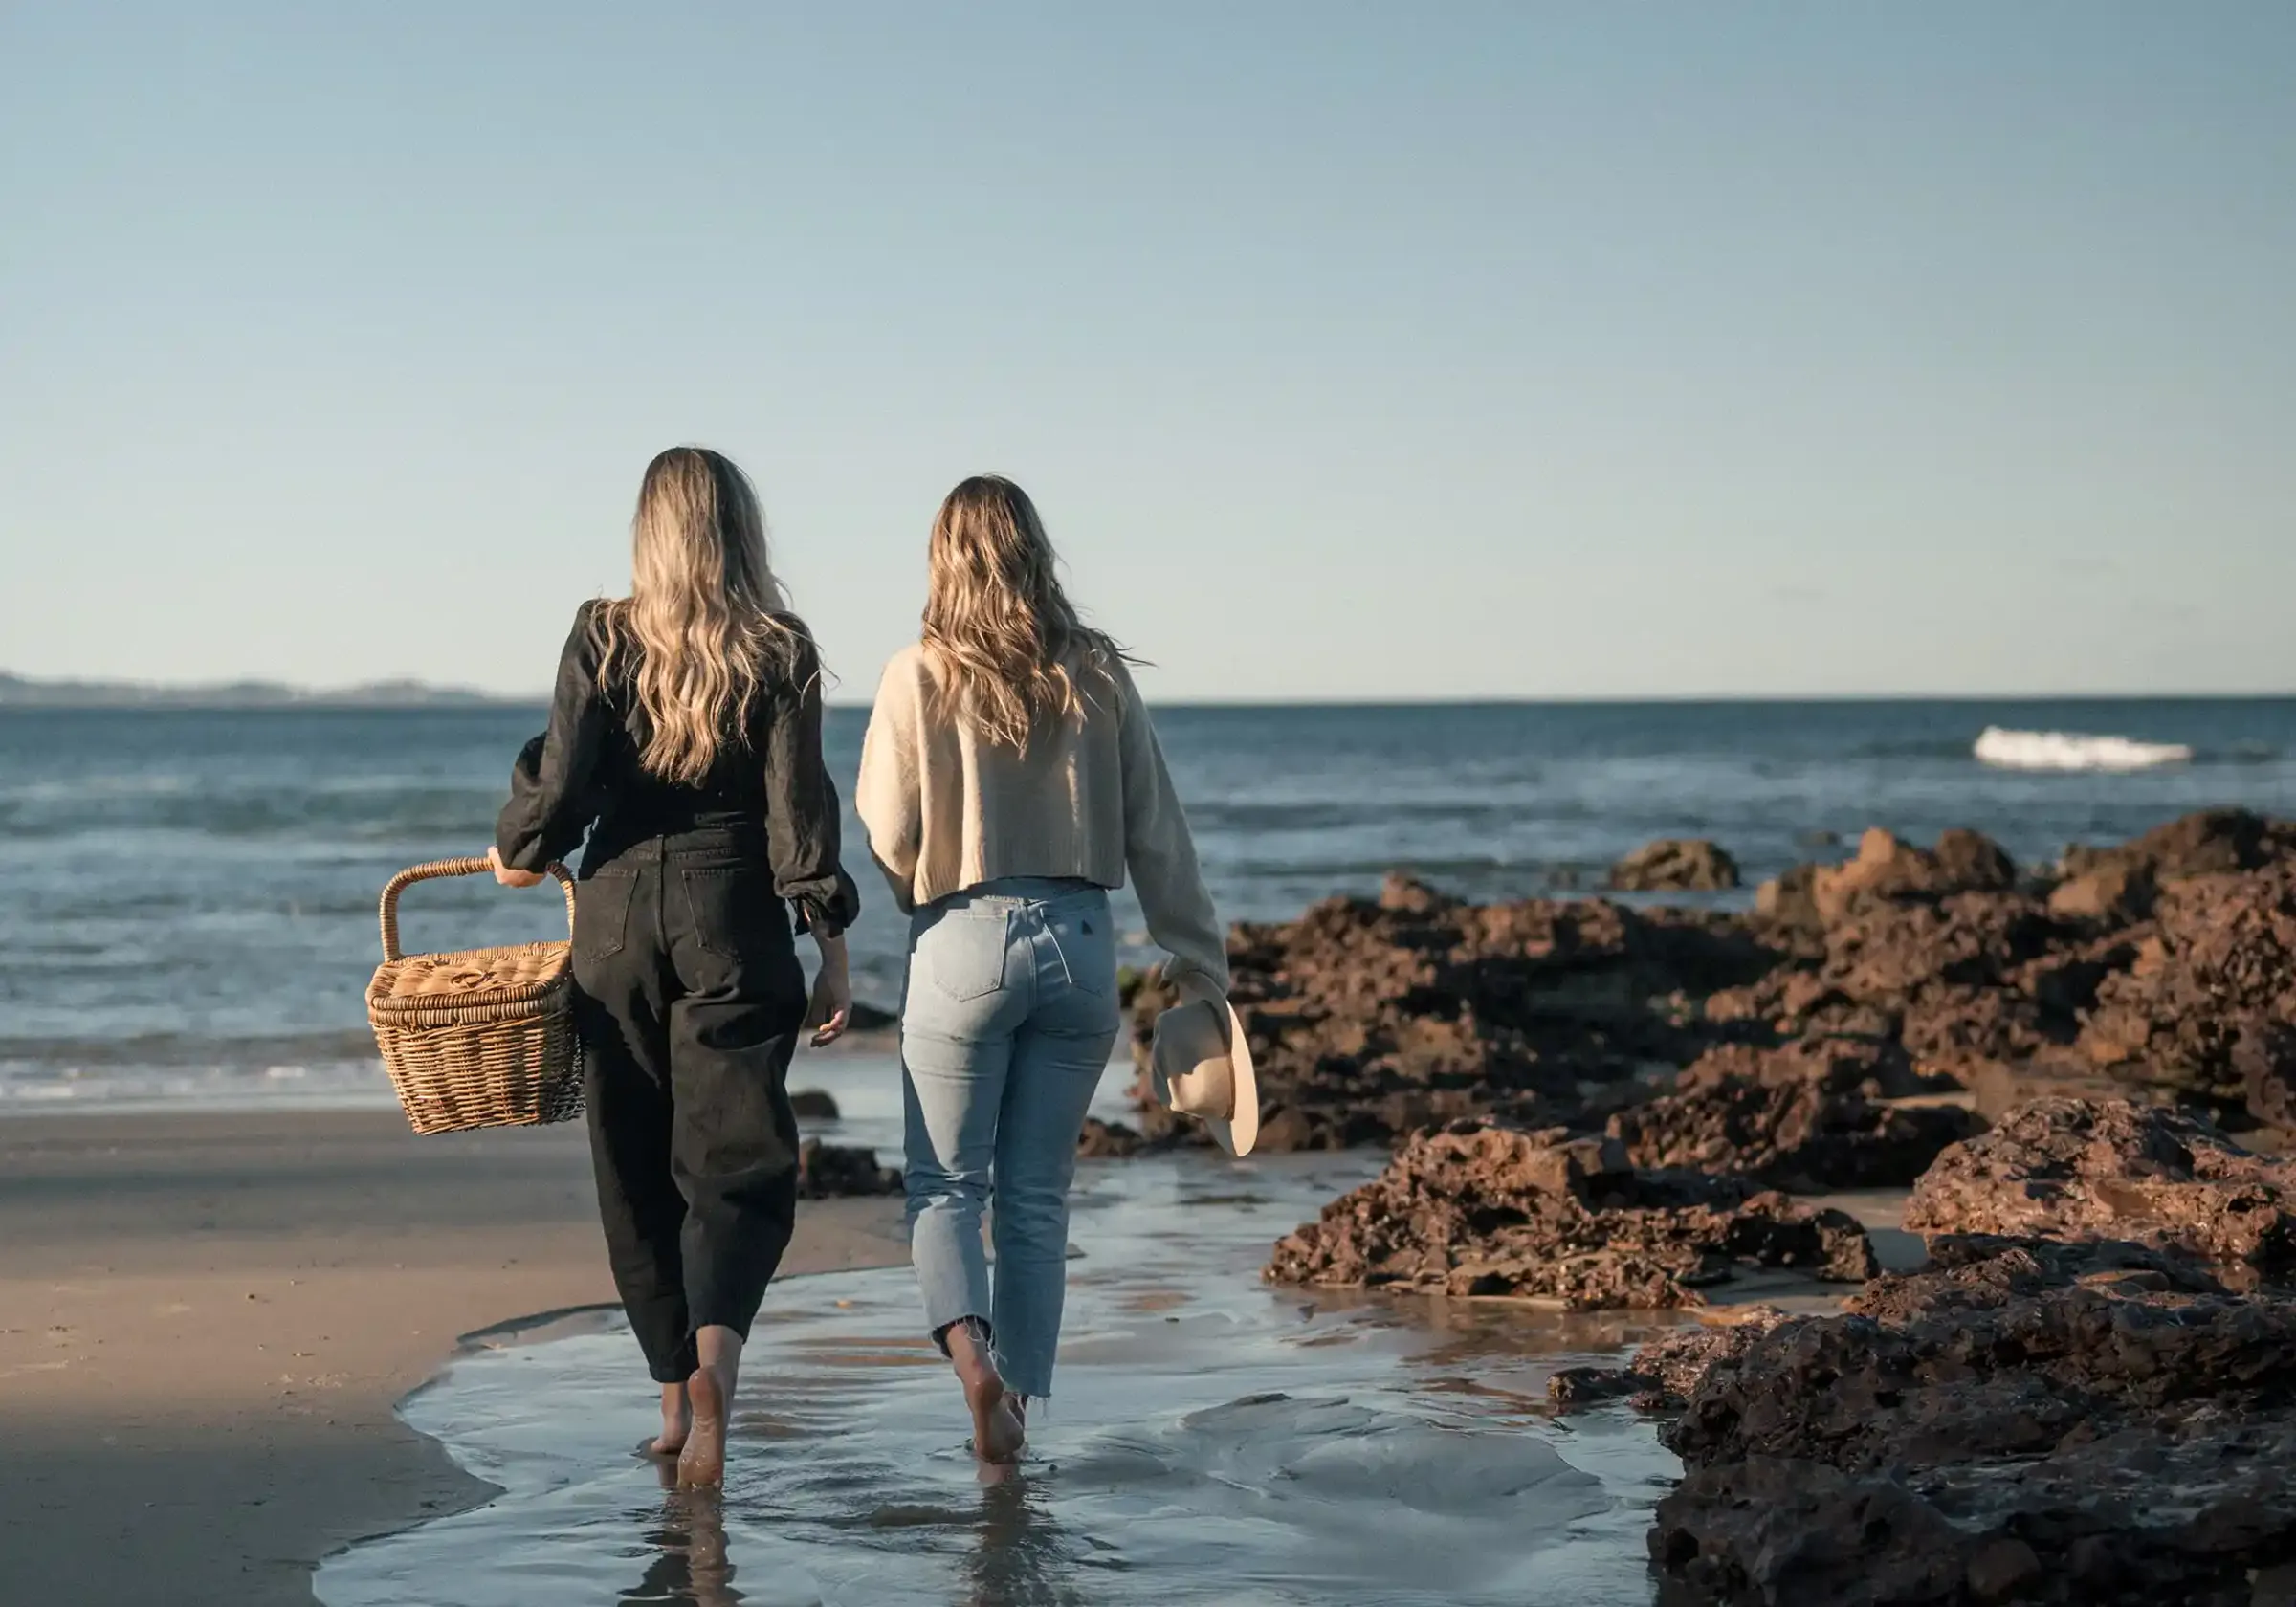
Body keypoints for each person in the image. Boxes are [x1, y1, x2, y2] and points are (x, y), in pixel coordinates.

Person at [490, 445, 858, 1488]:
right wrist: (831, 948)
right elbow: (801, 824)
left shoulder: (602, 634)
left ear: (648, 530)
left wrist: (518, 846)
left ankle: (667, 1396)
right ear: (740, 530)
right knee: (735, 1168)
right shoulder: (780, 648)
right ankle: (716, 1378)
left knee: (633, 1167)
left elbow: (562, 785)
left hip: (613, 924)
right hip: (734, 913)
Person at [856, 473, 1232, 1464]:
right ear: (1037, 552)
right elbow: (1159, 831)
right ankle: (1017, 1405)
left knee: (945, 1188)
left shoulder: (916, 673)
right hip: (1080, 942)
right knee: (1036, 1196)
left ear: (942, 557)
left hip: (963, 936)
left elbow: (886, 828)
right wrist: (1201, 965)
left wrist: (919, 891)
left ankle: (973, 1369)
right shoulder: (1096, 670)